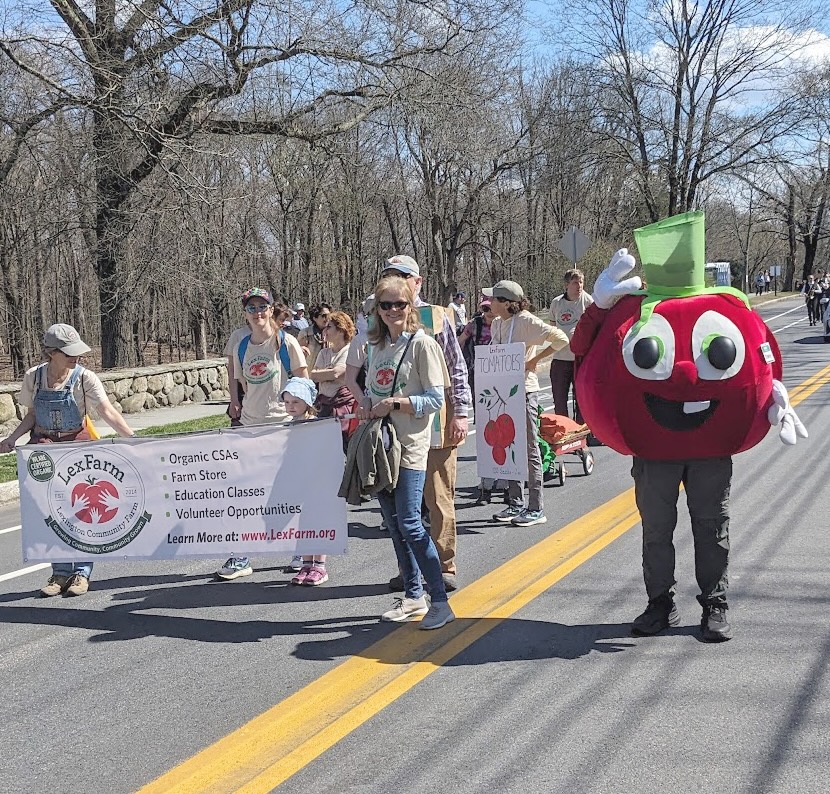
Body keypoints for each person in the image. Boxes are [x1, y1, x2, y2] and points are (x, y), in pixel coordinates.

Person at [572, 213, 806, 642]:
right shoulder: (631, 308)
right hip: (653, 447)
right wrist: (599, 304)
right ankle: (660, 603)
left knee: (711, 524)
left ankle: (714, 603)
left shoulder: (727, 306)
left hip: (709, 446)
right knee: (656, 529)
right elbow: (580, 347)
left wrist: (773, 399)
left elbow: (762, 356)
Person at [346, 254, 471, 592]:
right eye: (389, 276)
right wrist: (367, 405)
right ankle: (411, 574)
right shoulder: (377, 329)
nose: (393, 304)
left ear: (417, 283)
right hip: (393, 434)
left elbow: (455, 369)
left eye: (403, 277)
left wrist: (460, 413)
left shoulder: (438, 318)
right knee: (403, 513)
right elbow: (362, 373)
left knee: (438, 498)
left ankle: (444, 567)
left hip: (437, 423)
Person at [0, 324, 135, 597]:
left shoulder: (85, 378)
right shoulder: (33, 378)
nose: (77, 357)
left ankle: (81, 573)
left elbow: (106, 411)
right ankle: (59, 573)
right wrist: (12, 439)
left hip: (78, 447)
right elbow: (31, 416)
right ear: (51, 352)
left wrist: (132, 438)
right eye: (69, 353)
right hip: (45, 449)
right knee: (50, 512)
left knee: (83, 511)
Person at [215, 288, 309, 581]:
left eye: (262, 307)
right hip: (251, 424)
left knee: (289, 489)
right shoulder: (239, 341)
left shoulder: (285, 341)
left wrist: (302, 413)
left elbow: (303, 380)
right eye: (251, 308)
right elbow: (234, 374)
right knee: (247, 492)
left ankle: (299, 548)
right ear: (245, 312)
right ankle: (242, 555)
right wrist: (234, 402)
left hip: (283, 424)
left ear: (271, 309)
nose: (257, 313)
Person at [486, 280, 569, 527]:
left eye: (494, 299)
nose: (490, 303)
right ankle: (515, 502)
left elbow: (561, 339)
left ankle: (536, 507)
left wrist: (534, 361)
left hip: (524, 391)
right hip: (502, 394)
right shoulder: (498, 324)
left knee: (529, 447)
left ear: (507, 303)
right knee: (505, 443)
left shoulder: (525, 321)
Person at [281, 377, 331, 586]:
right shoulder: (287, 426)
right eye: (287, 402)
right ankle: (306, 562)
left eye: (296, 402)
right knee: (302, 523)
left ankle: (319, 564)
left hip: (316, 483)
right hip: (298, 483)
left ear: (307, 403)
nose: (291, 407)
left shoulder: (316, 426)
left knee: (317, 521)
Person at [458, 297, 502, 504]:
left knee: (505, 422)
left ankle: (505, 478)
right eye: (484, 308)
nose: (488, 312)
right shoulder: (473, 325)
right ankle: (486, 481)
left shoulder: (505, 323)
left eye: (490, 307)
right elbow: (459, 343)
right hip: (480, 377)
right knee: (485, 423)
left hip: (503, 376)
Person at [547, 269, 593, 420]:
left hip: (581, 360)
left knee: (582, 402)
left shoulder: (588, 302)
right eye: (575, 283)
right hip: (560, 359)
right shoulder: (556, 303)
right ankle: (564, 437)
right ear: (566, 285)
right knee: (559, 402)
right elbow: (552, 328)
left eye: (581, 282)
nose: (579, 286)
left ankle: (581, 437)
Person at [311, 311, 358, 453]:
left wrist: (327, 373)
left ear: (341, 329)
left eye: (329, 327)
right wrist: (329, 373)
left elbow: (338, 373)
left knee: (342, 448)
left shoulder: (350, 350)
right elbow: (313, 375)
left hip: (343, 408)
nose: (325, 330)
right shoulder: (324, 353)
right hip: (323, 407)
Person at [298, 303, 332, 372]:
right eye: (324, 316)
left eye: (329, 315)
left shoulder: (333, 333)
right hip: (310, 374)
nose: (327, 318)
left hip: (328, 375)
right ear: (315, 318)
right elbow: (299, 357)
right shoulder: (306, 333)